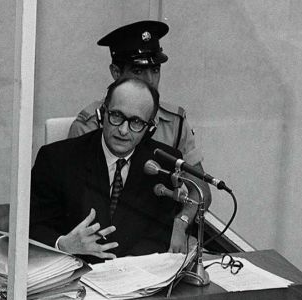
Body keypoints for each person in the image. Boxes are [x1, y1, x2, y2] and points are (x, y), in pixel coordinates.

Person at [67, 20, 209, 249]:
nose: (150, 81)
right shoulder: (91, 124)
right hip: (106, 240)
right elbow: (75, 204)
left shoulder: (175, 121)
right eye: (138, 71)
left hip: (159, 235)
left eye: (155, 70)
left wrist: (180, 224)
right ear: (116, 72)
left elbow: (200, 189)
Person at [31, 77, 191, 261]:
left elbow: (159, 234)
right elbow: (31, 226)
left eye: (136, 122)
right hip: (73, 274)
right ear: (102, 114)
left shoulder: (163, 165)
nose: (123, 130)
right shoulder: (56, 159)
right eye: (116, 116)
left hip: (136, 278)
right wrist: (63, 244)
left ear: (150, 128)